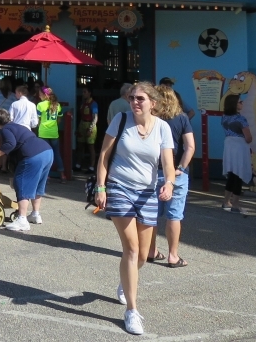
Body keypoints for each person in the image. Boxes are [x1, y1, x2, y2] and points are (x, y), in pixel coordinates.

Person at [95, 82, 175, 336]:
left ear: (154, 102)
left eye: (140, 98)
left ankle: (125, 281)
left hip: (148, 193)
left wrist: (170, 183)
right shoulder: (120, 120)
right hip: (120, 188)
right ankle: (132, 311)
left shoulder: (162, 128)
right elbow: (104, 156)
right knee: (130, 249)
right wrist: (100, 187)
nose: (135, 102)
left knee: (143, 255)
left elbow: (168, 164)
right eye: (132, 98)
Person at [147, 83, 195, 267]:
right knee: (174, 215)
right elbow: (190, 146)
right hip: (175, 173)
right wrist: (181, 168)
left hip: (152, 171)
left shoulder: (150, 120)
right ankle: (173, 255)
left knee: (151, 214)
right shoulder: (182, 118)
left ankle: (151, 250)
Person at [0, 108, 54, 231]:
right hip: (47, 151)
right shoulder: (18, 126)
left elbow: (10, 144)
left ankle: (22, 219)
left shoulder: (6, 129)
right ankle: (35, 214)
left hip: (33, 155)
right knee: (38, 184)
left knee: (21, 181)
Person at [221, 94, 252, 214]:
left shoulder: (224, 117)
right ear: (234, 104)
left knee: (232, 174)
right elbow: (248, 138)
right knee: (239, 173)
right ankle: (236, 203)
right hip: (239, 147)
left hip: (229, 146)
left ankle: (226, 201)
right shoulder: (241, 119)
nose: (242, 103)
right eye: (240, 102)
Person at [77, 86, 99, 171]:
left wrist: (90, 128)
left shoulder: (93, 103)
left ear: (89, 93)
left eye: (85, 92)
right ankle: (78, 164)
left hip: (90, 125)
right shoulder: (82, 103)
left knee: (90, 146)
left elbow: (95, 117)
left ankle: (91, 166)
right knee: (80, 145)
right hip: (82, 124)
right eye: (82, 92)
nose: (83, 94)